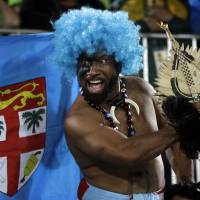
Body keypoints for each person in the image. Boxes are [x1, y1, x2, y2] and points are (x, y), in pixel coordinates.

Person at [51, 7, 193, 200]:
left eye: (100, 60)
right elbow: (128, 153)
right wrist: (186, 121)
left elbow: (176, 143)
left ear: (118, 61)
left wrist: (185, 183)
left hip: (157, 195)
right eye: (84, 62)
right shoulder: (77, 119)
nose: (90, 71)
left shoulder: (142, 89)